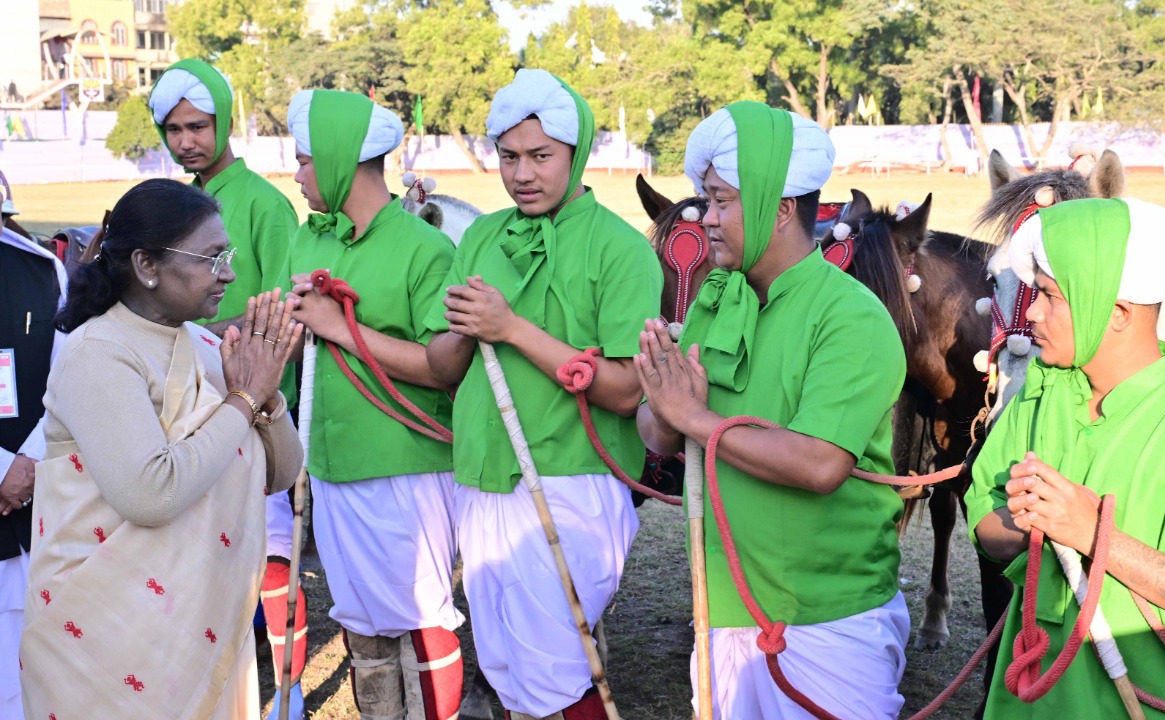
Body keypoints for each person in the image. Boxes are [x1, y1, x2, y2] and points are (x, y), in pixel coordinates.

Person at [636, 102, 909, 719]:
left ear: (781, 208)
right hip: (721, 609)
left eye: (721, 202)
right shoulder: (715, 298)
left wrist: (696, 419)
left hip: (828, 619)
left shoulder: (851, 316)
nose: (705, 219)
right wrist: (659, 405)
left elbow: (817, 464)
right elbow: (660, 435)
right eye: (707, 201)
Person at [422, 68, 662, 719]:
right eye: (508, 156)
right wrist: (470, 331)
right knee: (506, 670)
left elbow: (624, 391)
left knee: (556, 668)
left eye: (540, 156)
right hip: (480, 476)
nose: (523, 173)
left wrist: (511, 328)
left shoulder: (619, 250)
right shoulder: (478, 235)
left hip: (572, 482)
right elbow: (444, 366)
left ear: (575, 154)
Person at [965, 197, 1165, 717]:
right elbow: (982, 522)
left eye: (1050, 297)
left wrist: (1087, 531)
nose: (1030, 312)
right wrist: (1031, 523)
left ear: (1117, 313)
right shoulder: (1039, 394)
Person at [19, 179, 304, 718]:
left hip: (195, 625)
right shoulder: (98, 354)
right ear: (147, 266)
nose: (229, 274)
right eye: (211, 257)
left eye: (228, 255)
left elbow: (282, 473)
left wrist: (267, 398)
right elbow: (151, 492)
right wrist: (244, 400)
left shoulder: (202, 346)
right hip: (103, 637)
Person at [282, 89, 462, 720]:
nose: (297, 173)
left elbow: (445, 367)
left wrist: (337, 327)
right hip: (329, 466)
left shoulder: (425, 248)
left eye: (304, 160)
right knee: (361, 626)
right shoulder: (308, 241)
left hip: (406, 467)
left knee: (421, 622)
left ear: (335, 162)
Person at [147, 58, 307, 718]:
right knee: (196, 564)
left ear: (223, 120)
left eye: (198, 125)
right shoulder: (167, 205)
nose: (186, 140)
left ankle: (290, 692)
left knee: (267, 558)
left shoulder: (265, 204)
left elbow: (285, 308)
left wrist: (210, 342)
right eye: (173, 129)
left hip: (252, 404)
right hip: (178, 414)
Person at [0, 190, 66, 720]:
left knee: (26, 659)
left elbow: (68, 374)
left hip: (33, 493)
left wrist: (29, 461)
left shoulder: (41, 270)